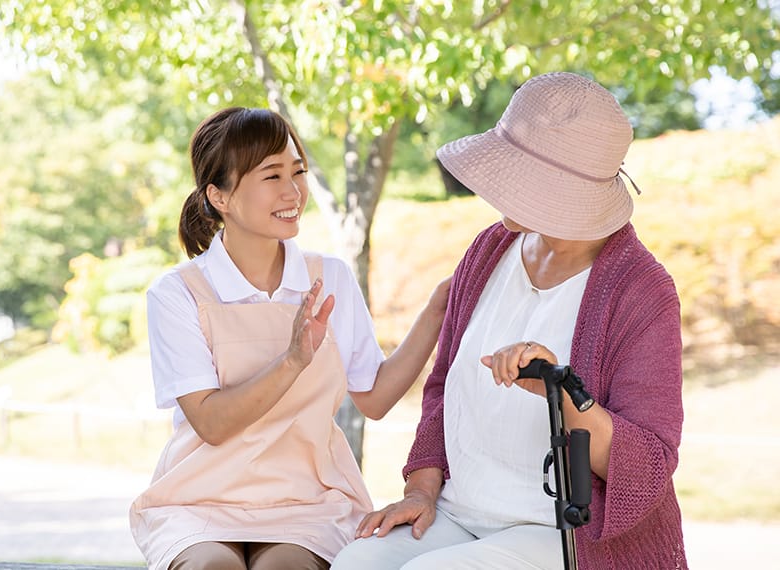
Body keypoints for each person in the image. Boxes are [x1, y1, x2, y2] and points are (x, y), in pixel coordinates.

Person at [332, 72, 687, 569]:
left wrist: (559, 392)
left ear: (556, 188)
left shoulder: (640, 290)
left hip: (563, 534)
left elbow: (648, 467)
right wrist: (421, 491)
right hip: (461, 512)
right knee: (357, 564)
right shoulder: (487, 252)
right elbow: (442, 392)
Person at [129, 107, 451, 570]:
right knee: (210, 568)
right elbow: (211, 423)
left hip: (310, 500)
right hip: (200, 498)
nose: (293, 190)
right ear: (219, 196)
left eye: (297, 171)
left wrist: (437, 308)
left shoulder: (331, 276)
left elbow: (375, 397)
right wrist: (292, 360)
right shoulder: (178, 293)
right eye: (272, 175)